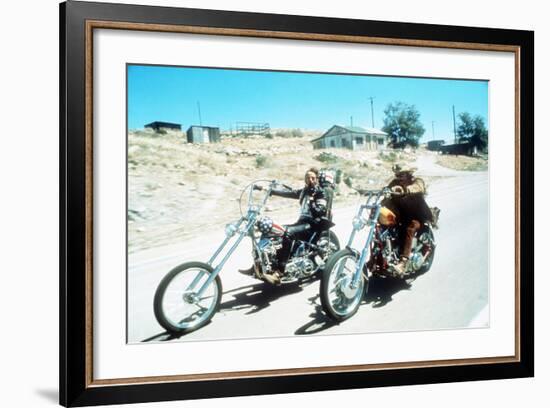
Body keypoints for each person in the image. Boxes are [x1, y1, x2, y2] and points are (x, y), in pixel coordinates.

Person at [239, 168, 334, 284]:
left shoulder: (320, 193)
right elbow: (286, 193)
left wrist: (312, 199)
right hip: (301, 222)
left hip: (312, 224)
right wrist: (266, 190)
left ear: (317, 179)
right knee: (270, 230)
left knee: (287, 233)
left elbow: (320, 211)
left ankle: (280, 271)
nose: (310, 180)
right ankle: (257, 266)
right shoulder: (303, 191)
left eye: (313, 178)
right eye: (308, 178)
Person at [383, 163, 433, 277]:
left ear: (408, 174)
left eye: (402, 175)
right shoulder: (395, 183)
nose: (399, 178)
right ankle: (380, 259)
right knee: (385, 228)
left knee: (410, 228)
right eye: (398, 175)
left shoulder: (417, 181)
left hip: (418, 216)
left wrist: (404, 189)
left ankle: (403, 262)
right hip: (403, 216)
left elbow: (418, 187)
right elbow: (387, 192)